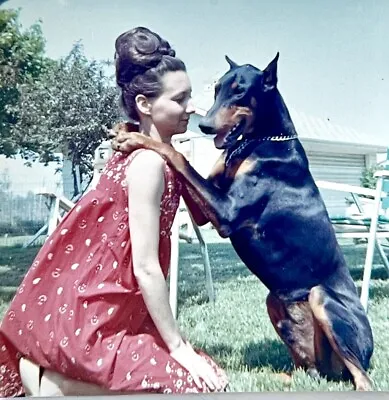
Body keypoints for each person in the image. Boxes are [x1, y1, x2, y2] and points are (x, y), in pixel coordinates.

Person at [0, 26, 228, 397]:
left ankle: (58, 370)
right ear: (144, 104)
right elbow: (145, 266)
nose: (192, 108)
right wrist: (178, 347)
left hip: (115, 308)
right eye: (180, 99)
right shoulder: (147, 165)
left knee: (213, 377)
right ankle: (52, 381)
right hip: (97, 313)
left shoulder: (146, 155)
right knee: (191, 386)